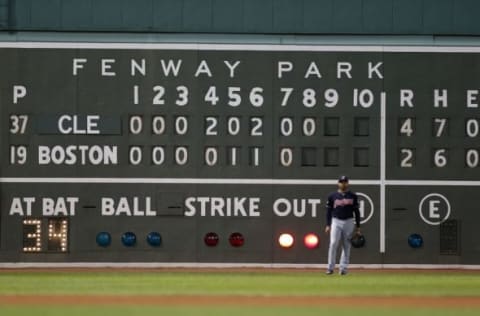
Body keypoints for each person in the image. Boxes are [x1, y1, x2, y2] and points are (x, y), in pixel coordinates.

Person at [325, 175, 361, 275]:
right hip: (336, 221)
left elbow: (357, 212)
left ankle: (343, 268)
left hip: (349, 221)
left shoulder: (353, 196)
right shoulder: (332, 196)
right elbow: (328, 211)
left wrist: (358, 227)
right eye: (341, 182)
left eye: (345, 182)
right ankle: (330, 267)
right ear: (338, 183)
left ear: (348, 183)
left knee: (347, 245)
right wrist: (328, 224)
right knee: (333, 243)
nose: (343, 183)